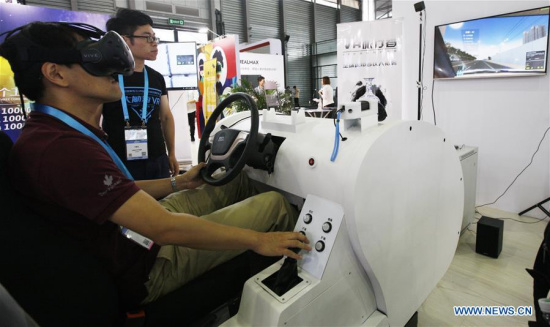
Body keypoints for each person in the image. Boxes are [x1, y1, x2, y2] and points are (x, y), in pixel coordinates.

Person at [0, 21, 309, 311]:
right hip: (146, 266)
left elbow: (114, 192)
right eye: (90, 58)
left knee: (235, 181)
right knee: (274, 203)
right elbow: (164, 227)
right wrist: (259, 240)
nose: (112, 69)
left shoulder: (51, 132)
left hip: (134, 236)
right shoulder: (62, 149)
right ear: (56, 74)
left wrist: (181, 182)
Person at [101, 9, 179, 180]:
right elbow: (93, 120)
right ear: (125, 40)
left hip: (157, 158)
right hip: (119, 160)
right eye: (147, 37)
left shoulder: (156, 78)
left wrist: (171, 153)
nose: (154, 43)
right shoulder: (107, 77)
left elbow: (165, 117)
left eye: (154, 37)